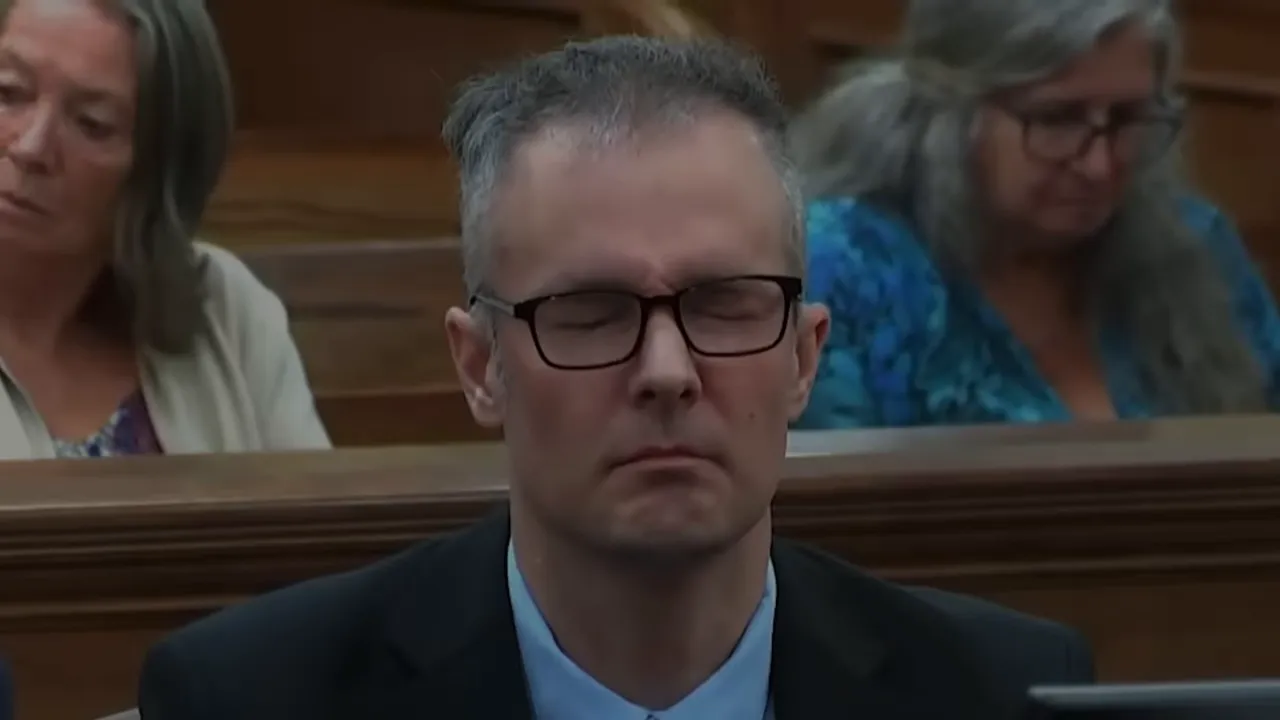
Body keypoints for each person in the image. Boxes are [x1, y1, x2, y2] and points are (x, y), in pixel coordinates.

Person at [136, 36, 1093, 719]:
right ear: (481, 369)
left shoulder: (1000, 693)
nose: (667, 372)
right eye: (589, 313)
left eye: (723, 304)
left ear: (804, 355)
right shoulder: (248, 697)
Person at [790, 0, 1280, 429]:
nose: (1099, 165)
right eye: (1057, 120)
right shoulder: (841, 267)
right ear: (947, 115)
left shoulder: (1196, 241)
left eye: (1128, 118)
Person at [0, 0, 329, 459]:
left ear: (157, 173)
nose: (31, 147)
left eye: (92, 124)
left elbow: (314, 524)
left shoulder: (222, 308)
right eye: (9, 92)